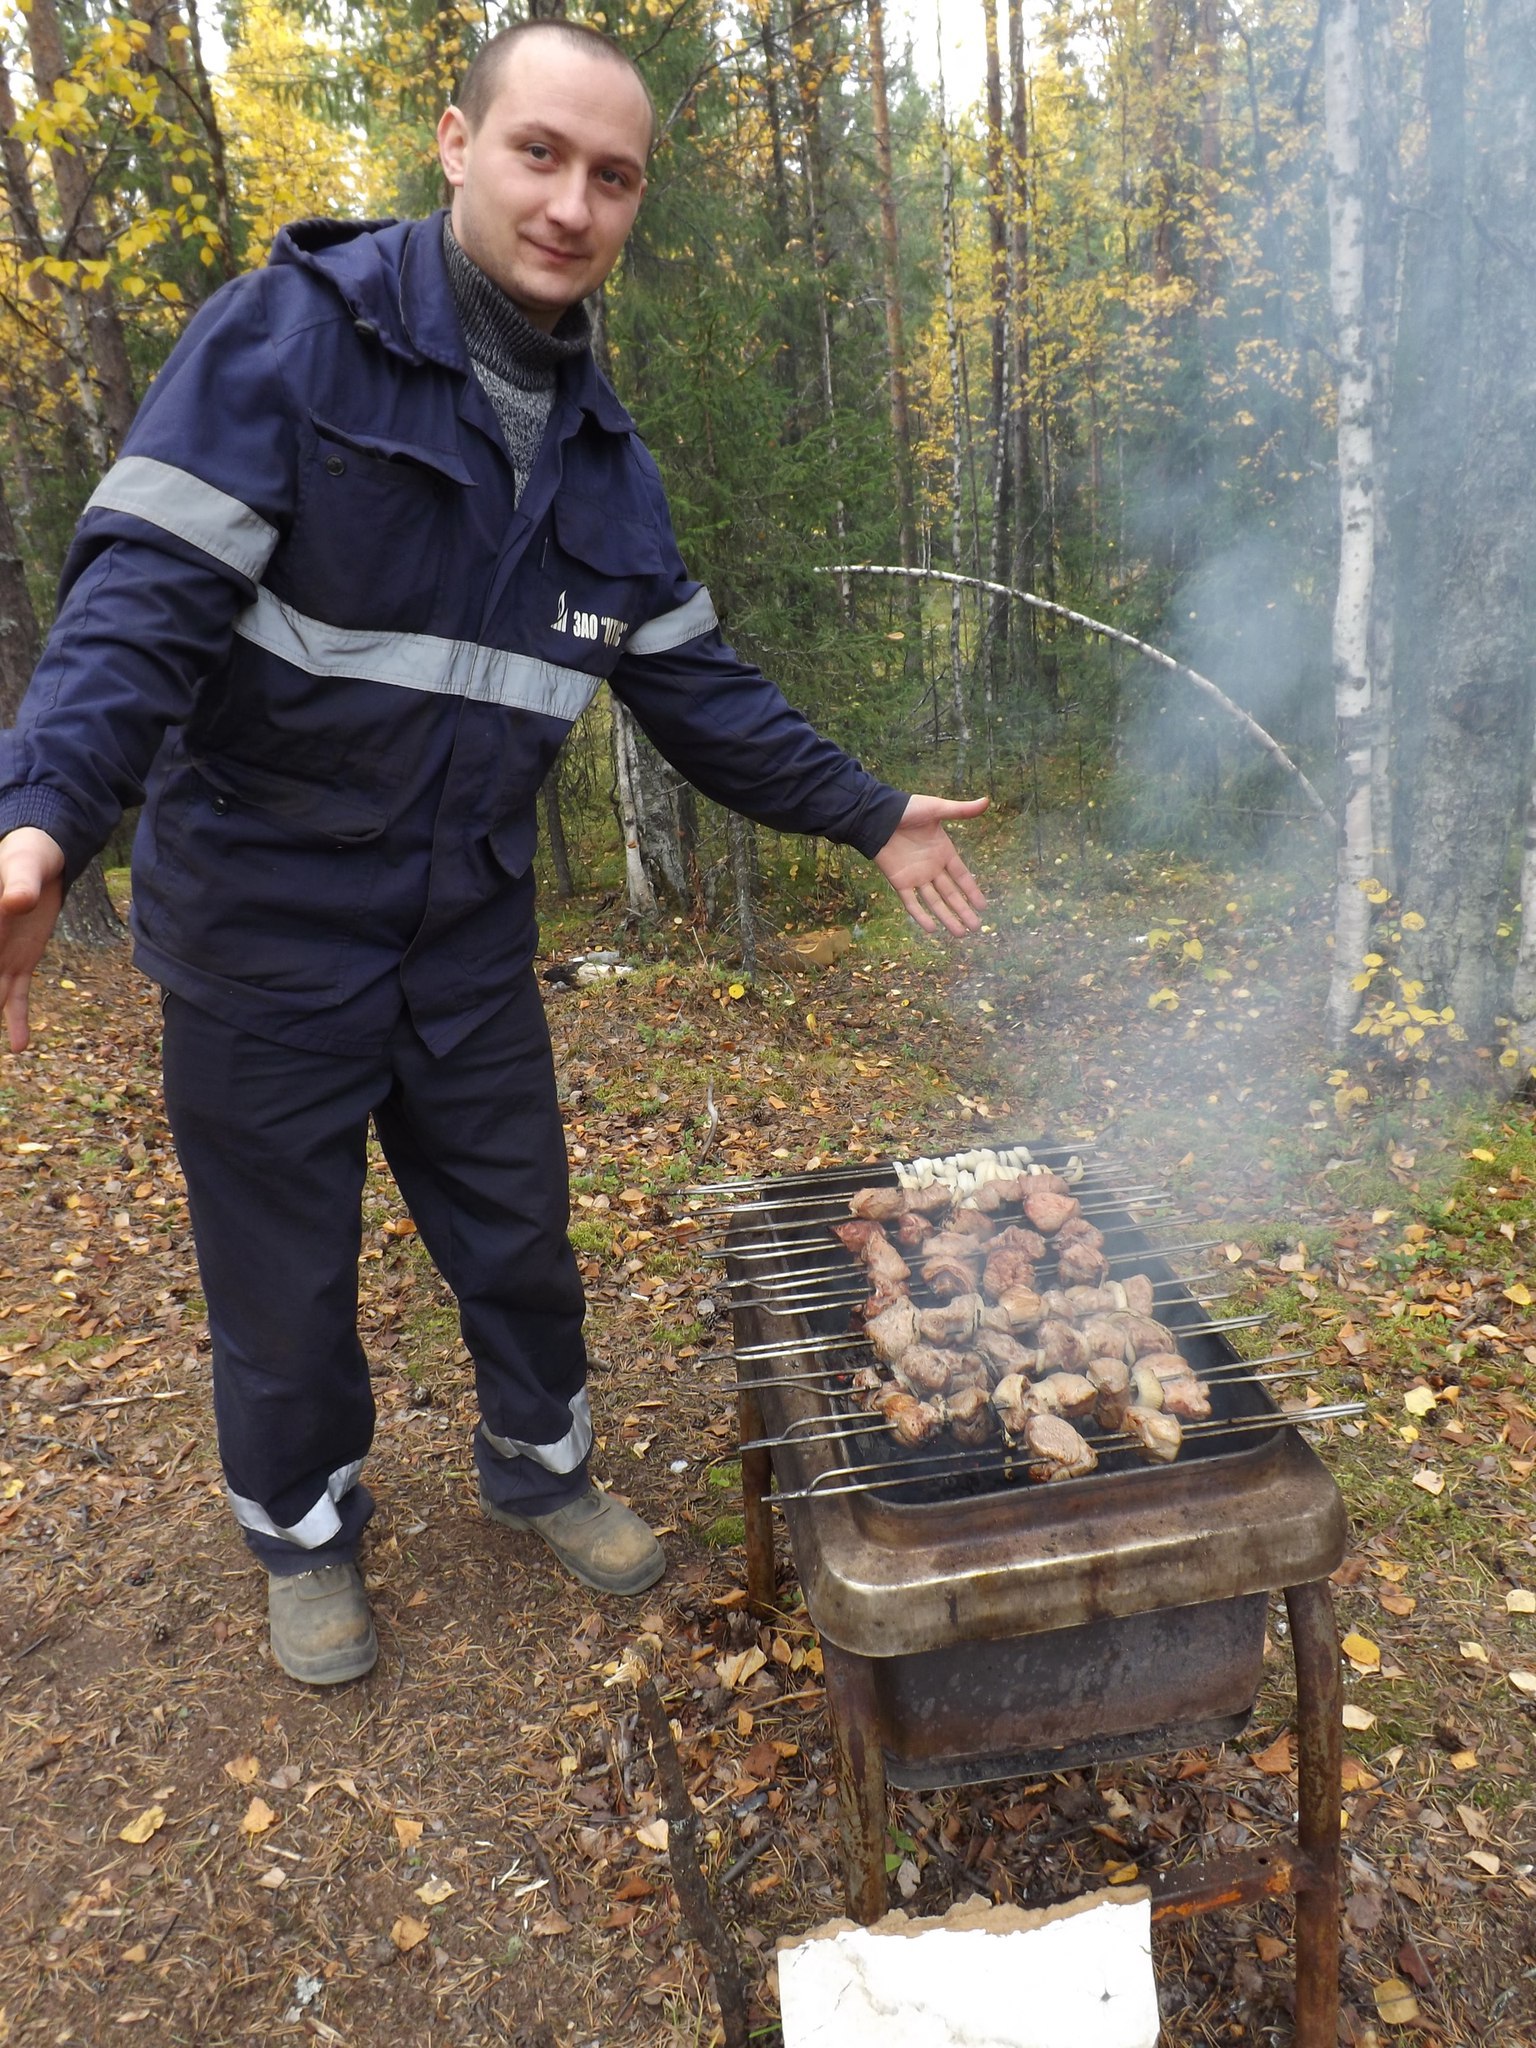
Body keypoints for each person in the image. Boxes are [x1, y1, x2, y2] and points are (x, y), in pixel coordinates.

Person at [0, 19, 986, 1686]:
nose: (571, 203)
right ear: (458, 144)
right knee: (285, 1284)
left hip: (461, 934)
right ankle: (304, 1537)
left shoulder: (609, 466)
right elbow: (138, 614)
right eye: (540, 153)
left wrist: (866, 811)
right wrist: (41, 820)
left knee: (519, 1235)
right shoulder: (287, 346)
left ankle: (543, 1470)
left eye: (613, 176)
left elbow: (705, 698)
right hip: (261, 932)